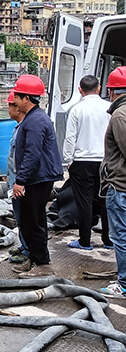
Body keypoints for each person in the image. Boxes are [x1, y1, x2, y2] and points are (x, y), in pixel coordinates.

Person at [10, 74, 63, 278]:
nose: (14, 101)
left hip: (38, 177)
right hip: (38, 176)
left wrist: (20, 181)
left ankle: (43, 264)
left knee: (34, 221)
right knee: (29, 219)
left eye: (17, 97)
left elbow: (32, 153)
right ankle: (35, 258)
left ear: (26, 98)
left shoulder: (35, 121)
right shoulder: (35, 118)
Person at [62, 75, 111, 250]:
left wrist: (68, 159)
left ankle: (85, 241)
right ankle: (108, 240)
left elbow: (70, 138)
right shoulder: (109, 108)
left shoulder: (77, 109)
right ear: (98, 89)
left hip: (81, 161)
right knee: (106, 201)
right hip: (105, 161)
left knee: (84, 202)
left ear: (80, 90)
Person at [101, 66, 126, 298]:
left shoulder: (119, 115)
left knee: (120, 236)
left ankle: (124, 283)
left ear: (111, 91)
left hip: (120, 186)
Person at [5, 90, 29, 264]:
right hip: (15, 183)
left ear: (17, 108)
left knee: (25, 217)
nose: (8, 109)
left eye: (9, 106)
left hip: (20, 185)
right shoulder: (18, 128)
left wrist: (19, 182)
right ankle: (24, 245)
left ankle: (27, 250)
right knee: (20, 216)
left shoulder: (24, 130)